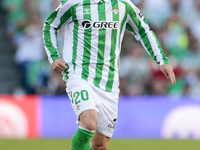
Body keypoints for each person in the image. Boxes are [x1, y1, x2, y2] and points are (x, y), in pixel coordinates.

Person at [43, 0, 176, 149]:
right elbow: (50, 25)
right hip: (78, 73)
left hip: (109, 81)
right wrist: (54, 56)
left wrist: (162, 59)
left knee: (100, 145)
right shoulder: (74, 3)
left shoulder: (123, 5)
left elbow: (144, 30)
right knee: (88, 123)